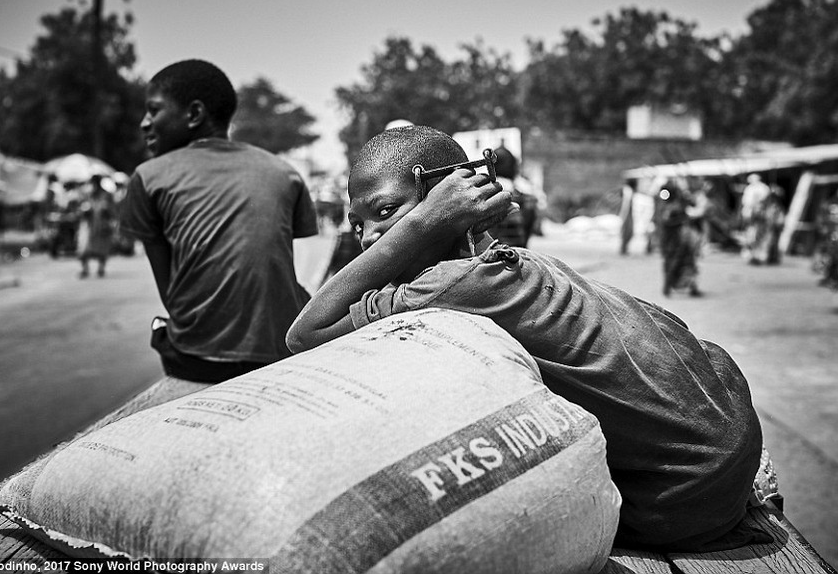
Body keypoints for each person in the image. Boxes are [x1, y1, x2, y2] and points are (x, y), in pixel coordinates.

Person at [287, 125, 766, 553]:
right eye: (357, 224)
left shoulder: (452, 285)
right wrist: (417, 220)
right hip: (731, 446)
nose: (370, 238)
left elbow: (305, 333)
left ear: (445, 197)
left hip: (673, 502)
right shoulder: (515, 261)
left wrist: (422, 224)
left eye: (386, 212)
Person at [120, 59, 318, 383]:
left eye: (153, 111)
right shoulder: (284, 173)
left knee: (166, 328)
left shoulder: (148, 177)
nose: (144, 123)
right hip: (281, 348)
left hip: (198, 358)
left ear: (194, 115)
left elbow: (173, 295)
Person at [658, 182, 702, 297]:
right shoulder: (664, 205)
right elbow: (664, 221)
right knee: (671, 263)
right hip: (669, 239)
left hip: (679, 239)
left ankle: (690, 286)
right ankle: (668, 286)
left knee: (685, 262)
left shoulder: (679, 205)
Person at [77, 174, 117, 278]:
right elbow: (79, 210)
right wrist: (85, 210)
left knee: (102, 247)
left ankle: (101, 268)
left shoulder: (107, 195)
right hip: (88, 226)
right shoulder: (86, 195)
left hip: (102, 225)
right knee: (83, 248)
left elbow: (113, 212)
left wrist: (106, 210)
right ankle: (85, 269)